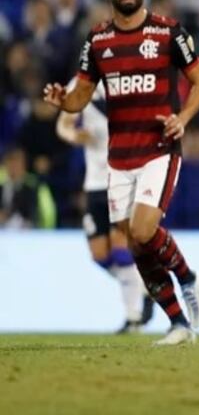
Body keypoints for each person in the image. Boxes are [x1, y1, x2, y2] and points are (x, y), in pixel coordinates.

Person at [43, 0, 199, 346]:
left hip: (159, 149)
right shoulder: (98, 41)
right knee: (136, 245)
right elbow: (80, 97)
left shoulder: (169, 32)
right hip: (118, 159)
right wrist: (62, 101)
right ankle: (178, 325)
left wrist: (183, 118)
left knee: (142, 230)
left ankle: (188, 279)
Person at [55, 78, 154, 333]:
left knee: (121, 251)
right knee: (100, 255)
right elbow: (63, 125)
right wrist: (74, 136)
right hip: (94, 182)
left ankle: (133, 319)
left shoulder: (127, 79)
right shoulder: (79, 84)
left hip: (122, 176)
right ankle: (143, 287)